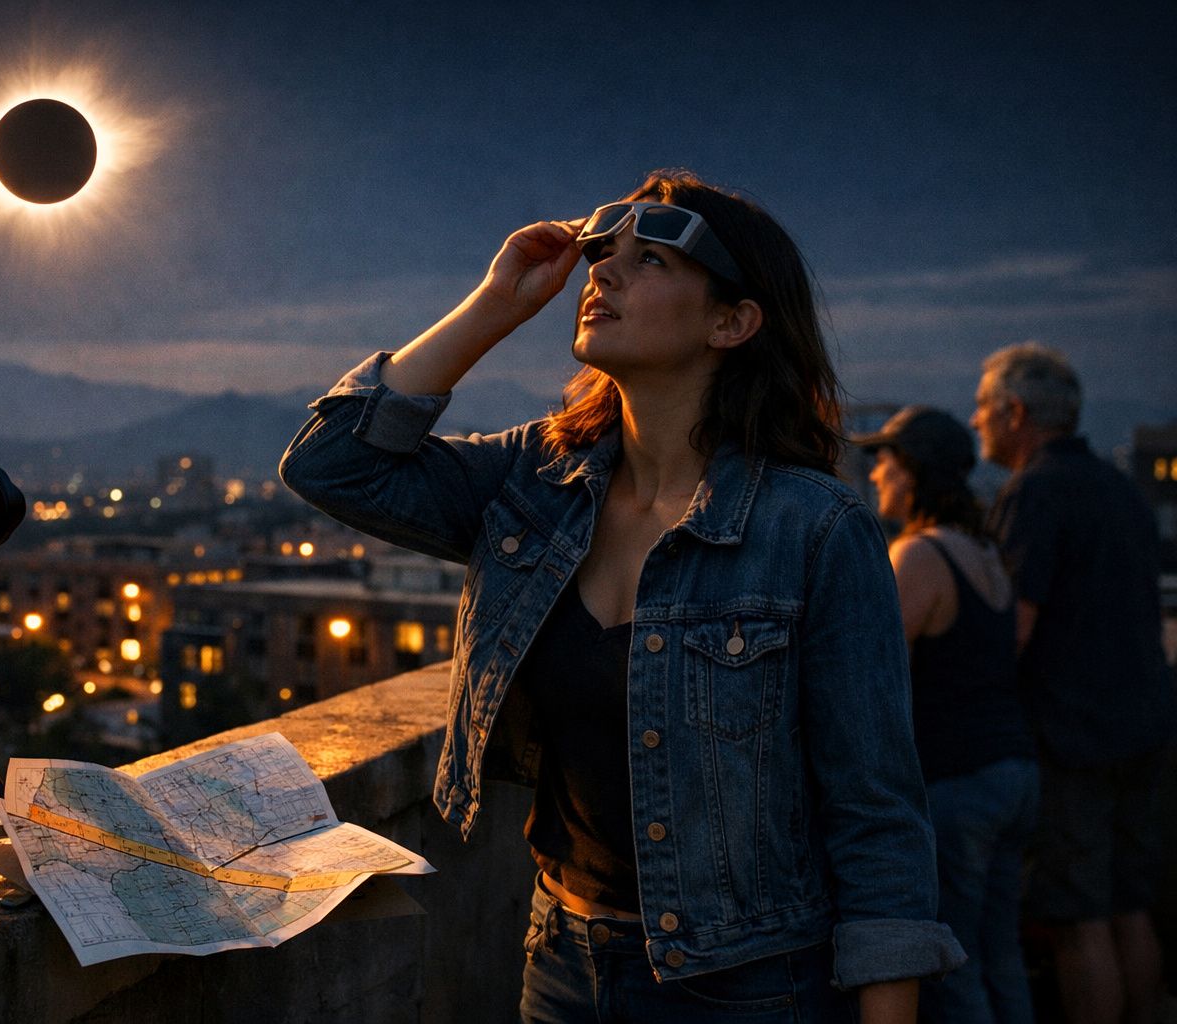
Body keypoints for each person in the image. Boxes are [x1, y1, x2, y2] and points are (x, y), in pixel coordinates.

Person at [280, 169, 963, 1022]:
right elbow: (331, 463)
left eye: (652, 261)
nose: (601, 273)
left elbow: (878, 812)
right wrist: (498, 304)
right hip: (562, 960)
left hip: (751, 984)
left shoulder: (815, 531)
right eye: (603, 253)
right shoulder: (536, 481)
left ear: (733, 321)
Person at [971, 343, 1175, 1024]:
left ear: (1016, 412)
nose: (976, 423)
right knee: (1130, 908)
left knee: (1077, 921)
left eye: (982, 407)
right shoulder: (1120, 490)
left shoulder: (1034, 493)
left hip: (1070, 739)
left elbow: (1013, 629)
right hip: (1144, 728)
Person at [860, 406, 1038, 1023]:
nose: (876, 471)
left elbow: (867, 676)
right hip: (1012, 772)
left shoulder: (917, 556)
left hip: (958, 782)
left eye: (885, 458)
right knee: (999, 953)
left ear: (912, 471)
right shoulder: (983, 549)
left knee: (951, 967)